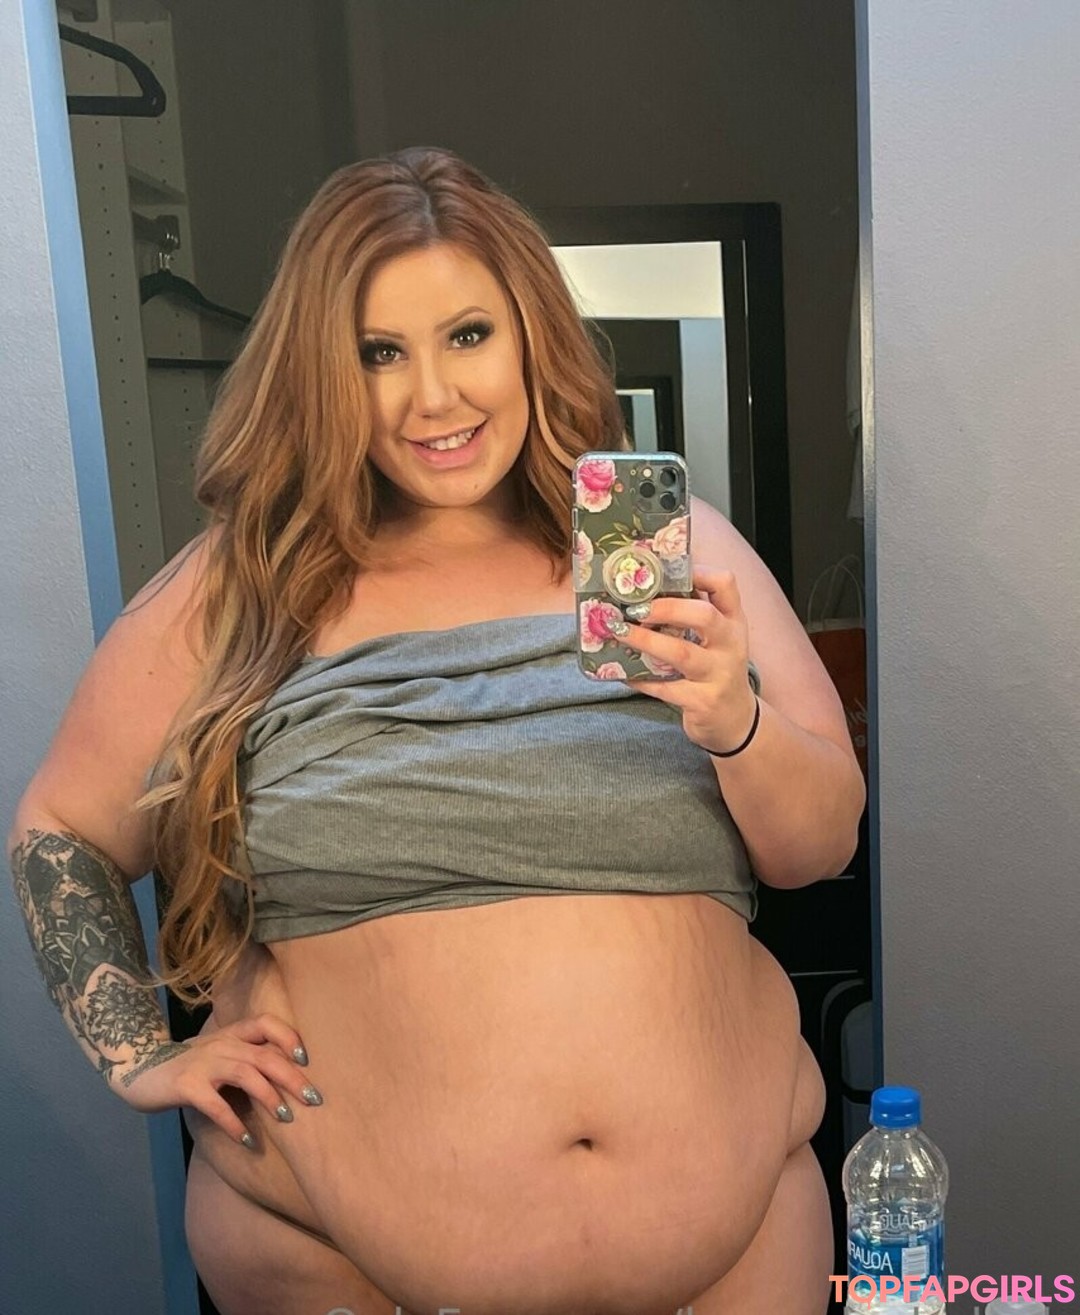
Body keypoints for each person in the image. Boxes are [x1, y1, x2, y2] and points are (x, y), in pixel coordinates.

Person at [8, 146, 865, 1315]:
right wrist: (138, 1052)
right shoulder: (248, 583)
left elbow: (820, 843)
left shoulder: (653, 544)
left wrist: (736, 721)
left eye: (468, 335)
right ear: (323, 373)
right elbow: (61, 827)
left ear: (529, 336)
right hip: (342, 1259)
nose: (434, 398)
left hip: (737, 1255)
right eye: (379, 353)